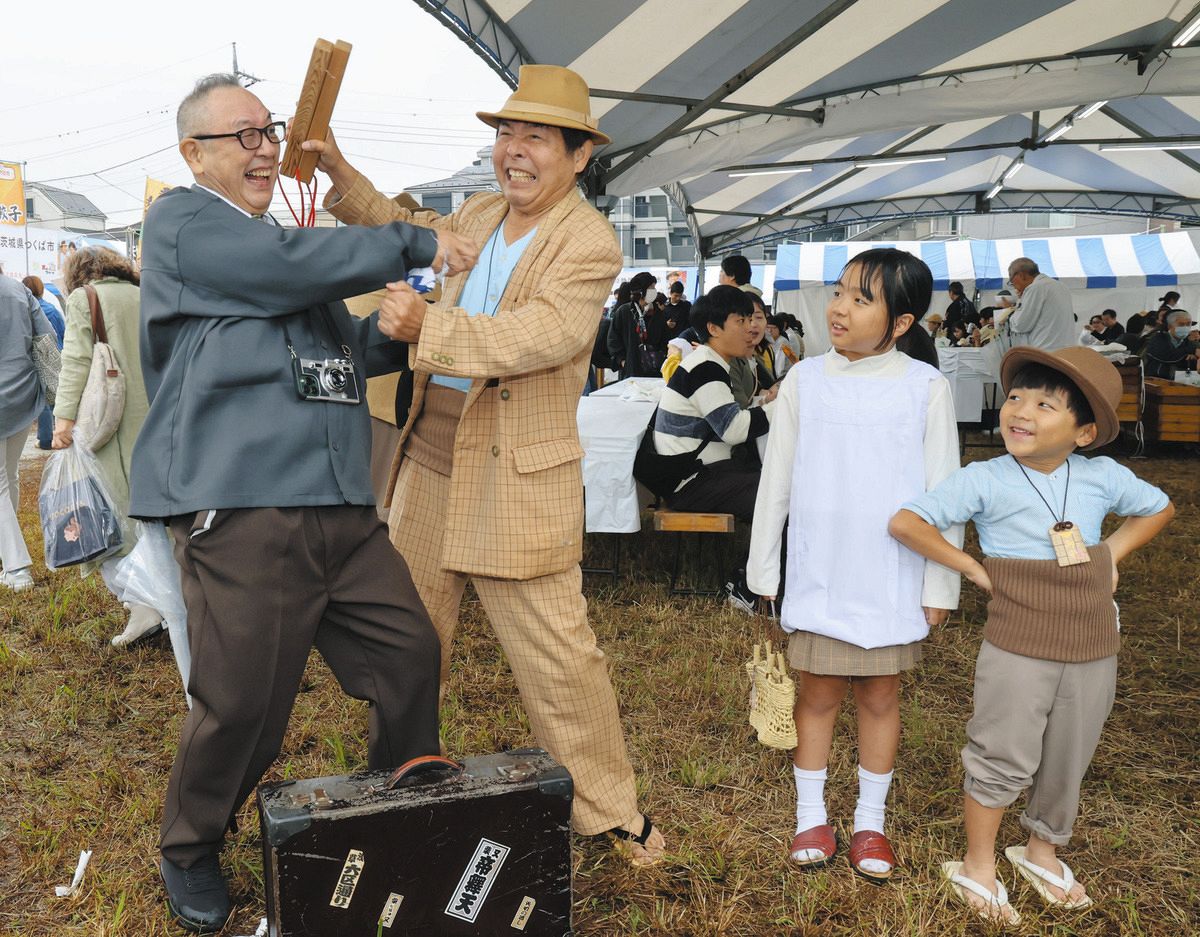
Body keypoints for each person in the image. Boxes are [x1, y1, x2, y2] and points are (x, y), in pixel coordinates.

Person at [130, 74, 471, 932]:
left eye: (267, 131)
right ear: (193, 154)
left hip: (338, 505)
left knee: (407, 651)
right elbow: (276, 271)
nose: (263, 147)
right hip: (243, 505)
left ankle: (391, 807)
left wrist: (382, 341)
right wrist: (413, 239)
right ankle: (189, 844)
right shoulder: (183, 223)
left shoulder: (280, 250)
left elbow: (323, 358)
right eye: (240, 135)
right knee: (244, 702)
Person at [308, 63, 667, 866]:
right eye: (505, 133)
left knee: (559, 659)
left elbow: (542, 336)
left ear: (579, 156)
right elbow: (407, 226)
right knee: (407, 641)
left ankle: (611, 812)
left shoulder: (589, 243)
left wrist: (424, 330)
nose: (513, 151)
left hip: (516, 476)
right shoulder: (477, 211)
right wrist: (337, 170)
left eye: (535, 137)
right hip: (429, 456)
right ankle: (397, 777)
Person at [889, 346, 1174, 924]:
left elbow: (1159, 507)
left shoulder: (1099, 476)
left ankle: (1041, 848)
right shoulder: (985, 478)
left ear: (1084, 431)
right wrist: (970, 567)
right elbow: (907, 522)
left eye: (1045, 404)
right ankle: (978, 864)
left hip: (1095, 644)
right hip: (1019, 645)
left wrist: (1113, 552)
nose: (1021, 411)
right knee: (1003, 753)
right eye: (1016, 398)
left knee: (1070, 752)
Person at [747, 248, 961, 883]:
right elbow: (775, 481)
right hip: (820, 569)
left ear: (900, 323)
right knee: (814, 695)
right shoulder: (805, 381)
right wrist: (765, 571)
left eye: (861, 299)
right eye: (839, 291)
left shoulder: (925, 386)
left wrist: (940, 581)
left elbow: (942, 490)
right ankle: (809, 815)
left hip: (891, 571)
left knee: (879, 694)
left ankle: (871, 821)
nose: (839, 308)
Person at [51, 248, 163, 647]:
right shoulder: (145, 294)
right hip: (155, 416)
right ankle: (167, 599)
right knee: (156, 516)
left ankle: (147, 606)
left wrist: (63, 421)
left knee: (111, 519)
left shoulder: (86, 298)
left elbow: (76, 361)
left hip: (109, 425)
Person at [641, 285, 772, 611]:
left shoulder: (711, 363)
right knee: (778, 496)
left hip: (698, 473)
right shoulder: (706, 367)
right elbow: (734, 429)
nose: (750, 329)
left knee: (778, 486)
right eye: (741, 321)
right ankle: (748, 587)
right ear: (714, 329)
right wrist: (781, 407)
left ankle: (758, 579)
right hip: (691, 481)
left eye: (752, 320)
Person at [1, 270, 54, 592]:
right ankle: (7, 549)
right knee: (9, 475)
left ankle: (17, 567)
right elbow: (46, 343)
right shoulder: (19, 291)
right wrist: (57, 399)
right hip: (21, 395)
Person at [22, 275, 65, 450]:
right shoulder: (52, 310)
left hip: (35, 356)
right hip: (56, 355)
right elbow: (62, 333)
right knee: (57, 396)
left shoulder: (25, 311)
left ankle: (46, 439)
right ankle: (59, 434)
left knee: (44, 399)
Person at [1001, 258, 1076, 351]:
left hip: (1046, 352)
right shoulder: (1060, 286)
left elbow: (1021, 325)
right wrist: (1022, 299)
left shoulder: (1035, 288)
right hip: (1066, 350)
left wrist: (1009, 311)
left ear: (1021, 275)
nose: (1013, 286)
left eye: (1011, 281)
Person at [606, 271, 661, 379]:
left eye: (654, 288)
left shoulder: (656, 311)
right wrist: (622, 361)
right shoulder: (624, 311)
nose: (654, 291)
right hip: (631, 370)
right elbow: (613, 339)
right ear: (641, 291)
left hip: (654, 369)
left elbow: (663, 337)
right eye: (651, 288)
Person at [1143, 309, 1199, 378]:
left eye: (1188, 324)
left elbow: (1192, 362)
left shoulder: (1189, 342)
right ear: (1169, 326)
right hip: (1156, 381)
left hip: (1182, 382)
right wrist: (1190, 352)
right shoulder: (1158, 338)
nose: (1185, 327)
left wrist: (1193, 357)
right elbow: (1168, 355)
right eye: (1181, 324)